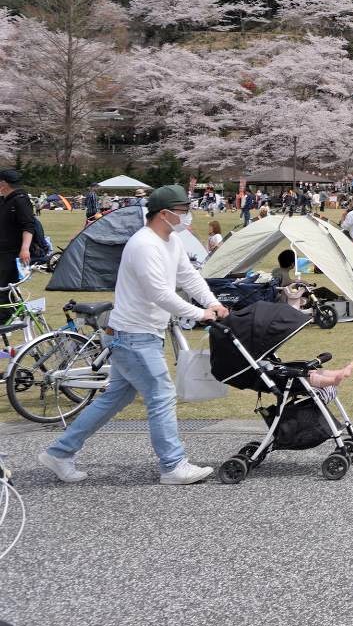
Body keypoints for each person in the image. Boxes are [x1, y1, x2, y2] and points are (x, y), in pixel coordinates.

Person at [38, 185, 225, 486]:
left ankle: (59, 452)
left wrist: (212, 302)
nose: (187, 216)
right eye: (182, 211)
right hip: (133, 335)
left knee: (113, 399)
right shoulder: (143, 245)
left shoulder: (171, 240)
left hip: (140, 334)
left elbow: (188, 276)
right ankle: (173, 465)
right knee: (162, 395)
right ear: (164, 214)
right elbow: (159, 293)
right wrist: (199, 313)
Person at [0, 169, 35, 289]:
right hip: (3, 251)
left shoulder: (20, 200)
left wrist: (25, 249)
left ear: (3, 184)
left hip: (13, 252)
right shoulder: (5, 200)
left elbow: (29, 226)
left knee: (5, 289)